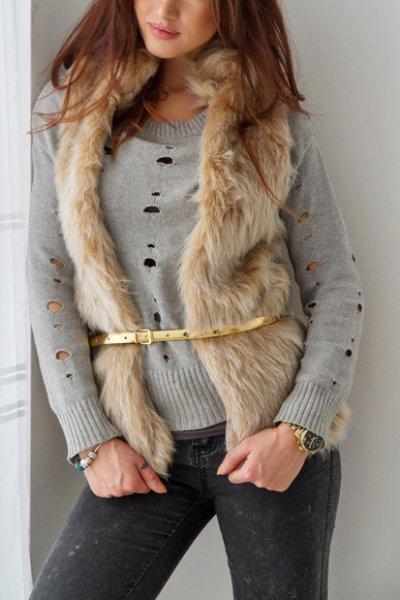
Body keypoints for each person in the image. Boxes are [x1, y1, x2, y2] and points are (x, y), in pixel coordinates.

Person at [27, 1, 364, 598]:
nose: (164, 10)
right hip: (138, 445)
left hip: (266, 434)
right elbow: (48, 279)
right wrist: (90, 440)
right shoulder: (69, 108)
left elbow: (334, 280)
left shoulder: (267, 114)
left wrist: (300, 430)